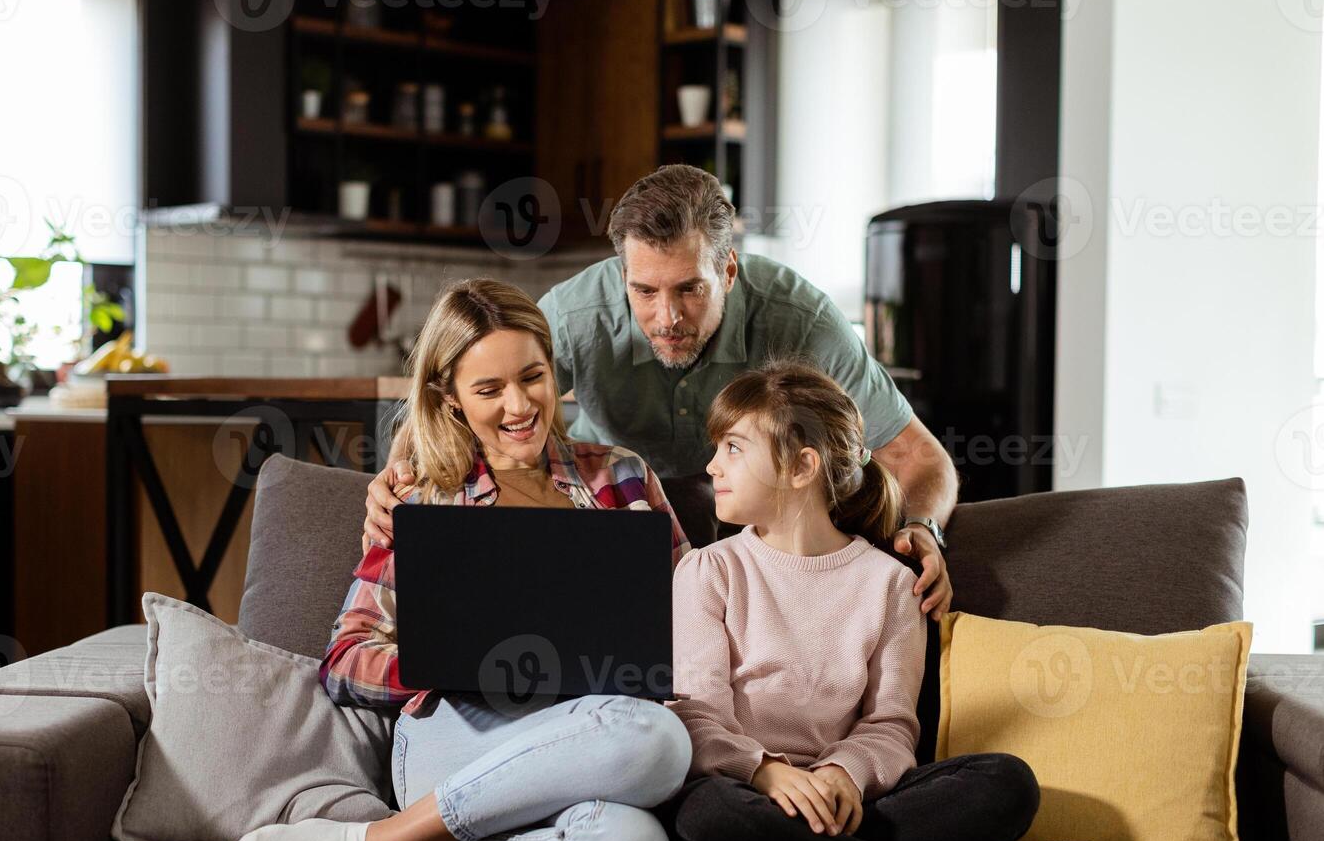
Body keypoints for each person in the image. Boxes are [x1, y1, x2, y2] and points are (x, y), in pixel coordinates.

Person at [214, 278, 695, 841]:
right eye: (489, 389)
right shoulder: (424, 494)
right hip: (457, 736)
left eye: (533, 377)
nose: (519, 405)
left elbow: (693, 617)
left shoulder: (622, 477)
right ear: (451, 398)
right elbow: (344, 658)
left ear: (555, 371)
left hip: (590, 741)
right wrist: (448, 657)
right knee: (657, 740)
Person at [365, 165, 958, 620]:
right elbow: (466, 404)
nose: (666, 317)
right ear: (621, 272)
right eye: (644, 291)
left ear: (727, 271)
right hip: (615, 520)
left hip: (750, 521)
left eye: (689, 289)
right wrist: (395, 486)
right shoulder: (576, 316)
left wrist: (922, 530)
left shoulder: (800, 320)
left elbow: (918, 458)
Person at [664, 359, 1110, 841]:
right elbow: (698, 716)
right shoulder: (708, 572)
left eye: (733, 448)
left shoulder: (891, 585)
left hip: (852, 801)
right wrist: (766, 775)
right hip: (745, 790)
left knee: (1007, 784)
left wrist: (844, 774)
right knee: (707, 814)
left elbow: (891, 725)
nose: (711, 466)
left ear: (802, 467)